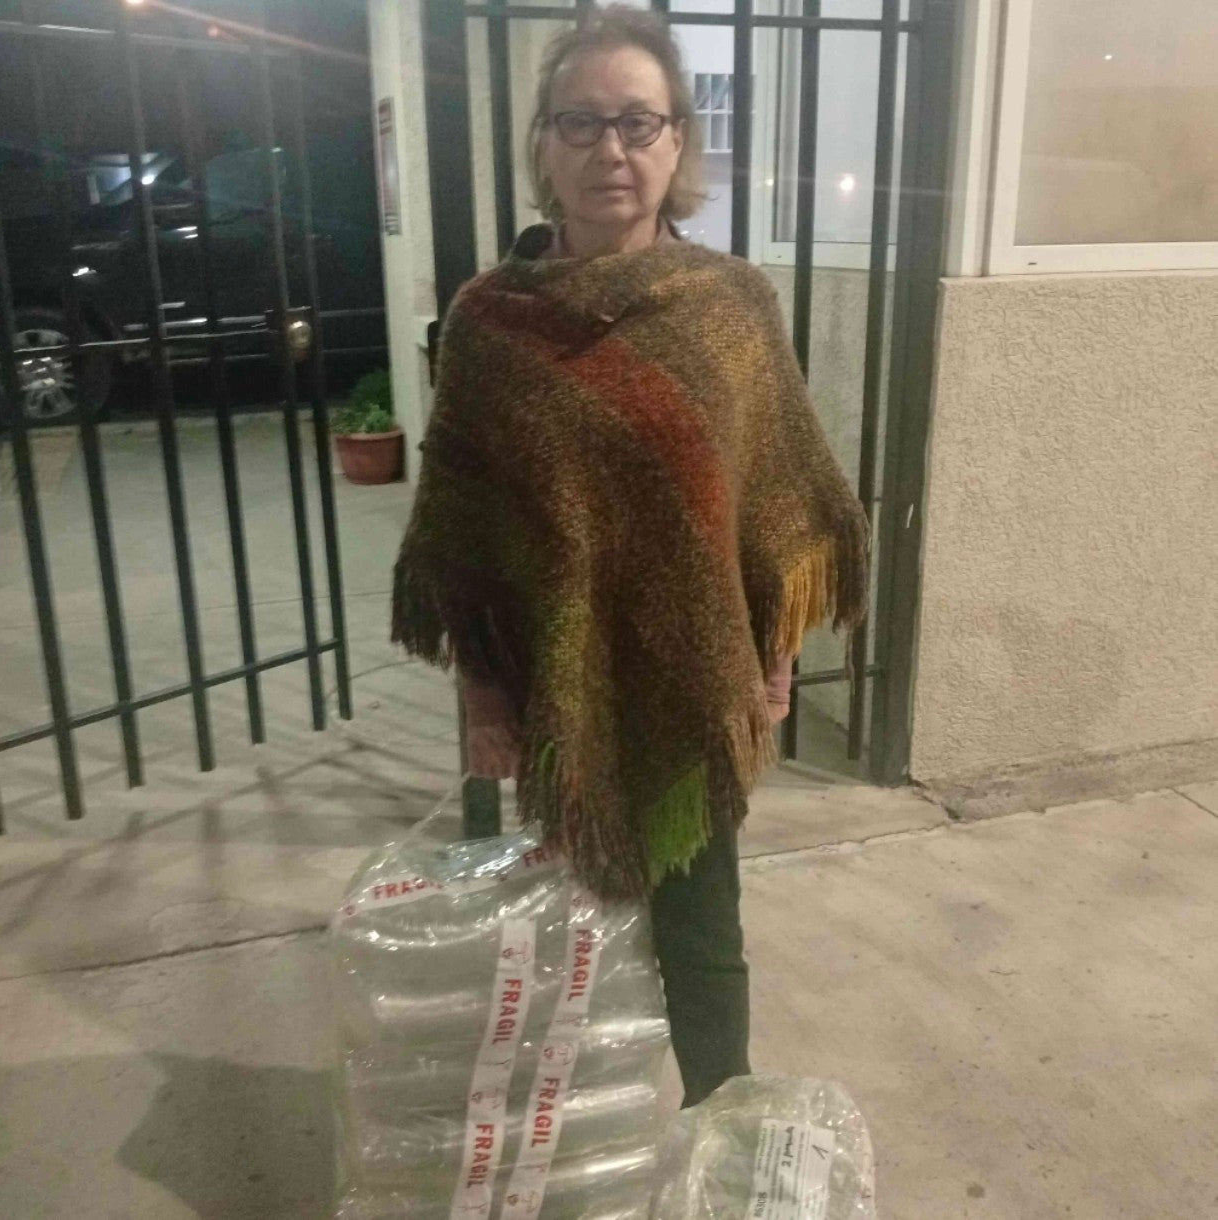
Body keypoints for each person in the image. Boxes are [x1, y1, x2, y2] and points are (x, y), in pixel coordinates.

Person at [392, 4, 868, 1108]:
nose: (611, 148)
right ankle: (582, 1141)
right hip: (552, 688)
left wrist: (772, 659)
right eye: (582, 121)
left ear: (676, 142)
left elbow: (776, 507)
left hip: (695, 676)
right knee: (565, 938)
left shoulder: (730, 307)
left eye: (638, 122)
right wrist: (484, 694)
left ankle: (718, 1125)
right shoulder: (489, 322)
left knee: (703, 932)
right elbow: (466, 539)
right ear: (544, 145)